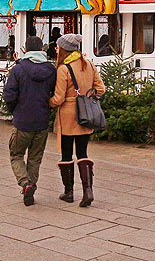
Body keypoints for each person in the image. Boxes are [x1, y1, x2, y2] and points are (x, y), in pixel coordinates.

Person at [50, 33, 105, 207]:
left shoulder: (63, 69)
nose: (56, 49)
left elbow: (58, 98)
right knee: (83, 153)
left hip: (67, 116)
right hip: (85, 115)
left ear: (64, 49)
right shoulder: (88, 64)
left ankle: (68, 192)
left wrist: (47, 103)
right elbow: (100, 89)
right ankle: (88, 191)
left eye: (58, 47)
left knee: (66, 154)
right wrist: (87, 97)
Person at [2, 35, 56, 206]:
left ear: (25, 50)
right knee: (35, 157)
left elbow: (9, 95)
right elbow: (54, 94)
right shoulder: (51, 70)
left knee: (16, 154)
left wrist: (15, 111)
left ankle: (25, 184)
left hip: (23, 121)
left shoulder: (18, 70)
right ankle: (31, 185)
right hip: (41, 121)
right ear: (42, 50)